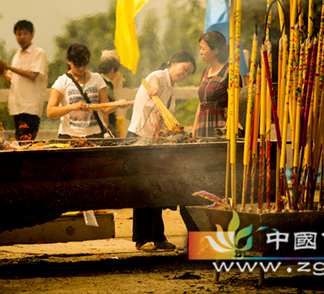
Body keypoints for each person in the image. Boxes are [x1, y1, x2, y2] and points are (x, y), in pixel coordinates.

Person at [126, 51, 196, 251]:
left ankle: (158, 237)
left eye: (189, 73)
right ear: (173, 62)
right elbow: (154, 79)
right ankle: (142, 239)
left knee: (156, 189)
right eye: (184, 68)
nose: (185, 74)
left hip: (155, 143)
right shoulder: (156, 77)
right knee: (143, 191)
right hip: (139, 139)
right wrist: (155, 87)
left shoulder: (172, 89)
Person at [47, 43, 120, 139]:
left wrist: (118, 104)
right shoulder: (62, 82)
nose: (81, 68)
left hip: (95, 135)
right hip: (70, 136)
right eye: (77, 65)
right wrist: (72, 107)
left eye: (84, 64)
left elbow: (105, 108)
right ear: (69, 61)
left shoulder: (97, 79)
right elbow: (50, 112)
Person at [0, 20, 48, 141]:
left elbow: (33, 75)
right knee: (20, 141)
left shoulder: (38, 53)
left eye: (25, 33)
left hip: (31, 107)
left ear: (32, 34)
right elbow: (12, 81)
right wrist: (2, 73)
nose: (22, 37)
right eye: (19, 34)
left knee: (26, 141)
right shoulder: (17, 55)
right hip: (17, 106)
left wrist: (7, 67)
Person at [192, 30, 230, 138]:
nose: (200, 52)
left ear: (216, 50)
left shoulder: (230, 72)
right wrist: (194, 128)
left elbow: (235, 105)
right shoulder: (205, 72)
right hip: (202, 127)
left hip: (220, 129)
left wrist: (226, 131)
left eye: (203, 48)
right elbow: (201, 103)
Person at [97, 50, 121, 135]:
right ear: (112, 70)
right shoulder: (106, 84)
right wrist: (119, 104)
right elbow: (105, 108)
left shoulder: (96, 80)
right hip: (104, 129)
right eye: (117, 71)